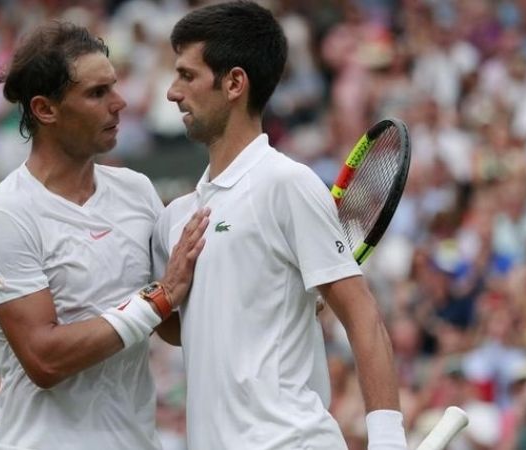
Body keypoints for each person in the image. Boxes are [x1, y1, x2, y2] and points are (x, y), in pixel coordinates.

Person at [151, 2, 407, 449]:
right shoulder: (175, 219)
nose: (173, 92)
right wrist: (164, 295)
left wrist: (389, 442)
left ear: (234, 83)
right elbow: (181, 329)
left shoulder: (286, 183)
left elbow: (363, 317)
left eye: (187, 75)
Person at [0, 22, 209, 449]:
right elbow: (45, 358)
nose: (119, 103)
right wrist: (159, 296)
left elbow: (170, 326)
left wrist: (266, 298)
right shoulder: (3, 215)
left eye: (113, 87)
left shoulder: (136, 191)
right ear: (45, 109)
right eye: (97, 94)